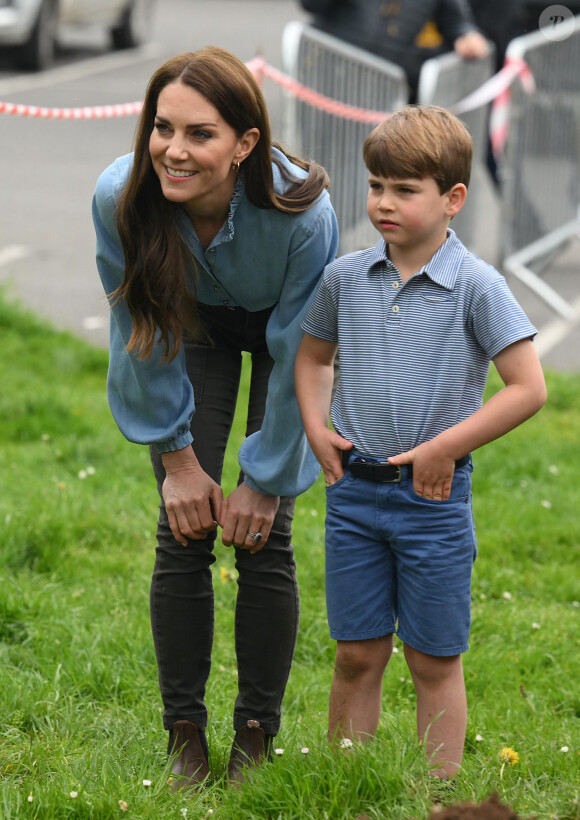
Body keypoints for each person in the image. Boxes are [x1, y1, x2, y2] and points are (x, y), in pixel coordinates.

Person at [92, 46, 338, 789]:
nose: (173, 149)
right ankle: (185, 741)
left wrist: (265, 480)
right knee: (184, 523)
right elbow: (139, 331)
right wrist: (177, 460)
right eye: (162, 128)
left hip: (281, 337)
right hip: (188, 326)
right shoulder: (121, 197)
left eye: (200, 134)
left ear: (245, 144)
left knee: (266, 534)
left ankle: (255, 742)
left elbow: (305, 353)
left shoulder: (303, 212)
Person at [294, 105, 546, 779]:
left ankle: (440, 793)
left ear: (452, 198)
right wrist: (317, 428)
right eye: (376, 185)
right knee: (355, 653)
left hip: (432, 502)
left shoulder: (477, 286)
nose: (383, 202)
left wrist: (444, 447)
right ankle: (350, 782)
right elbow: (313, 358)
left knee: (432, 658)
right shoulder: (344, 278)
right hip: (353, 498)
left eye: (404, 190)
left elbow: (527, 387)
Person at [298, 0, 489, 99]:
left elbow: (456, 21)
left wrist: (466, 34)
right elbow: (310, 4)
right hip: (329, 83)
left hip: (389, 93)